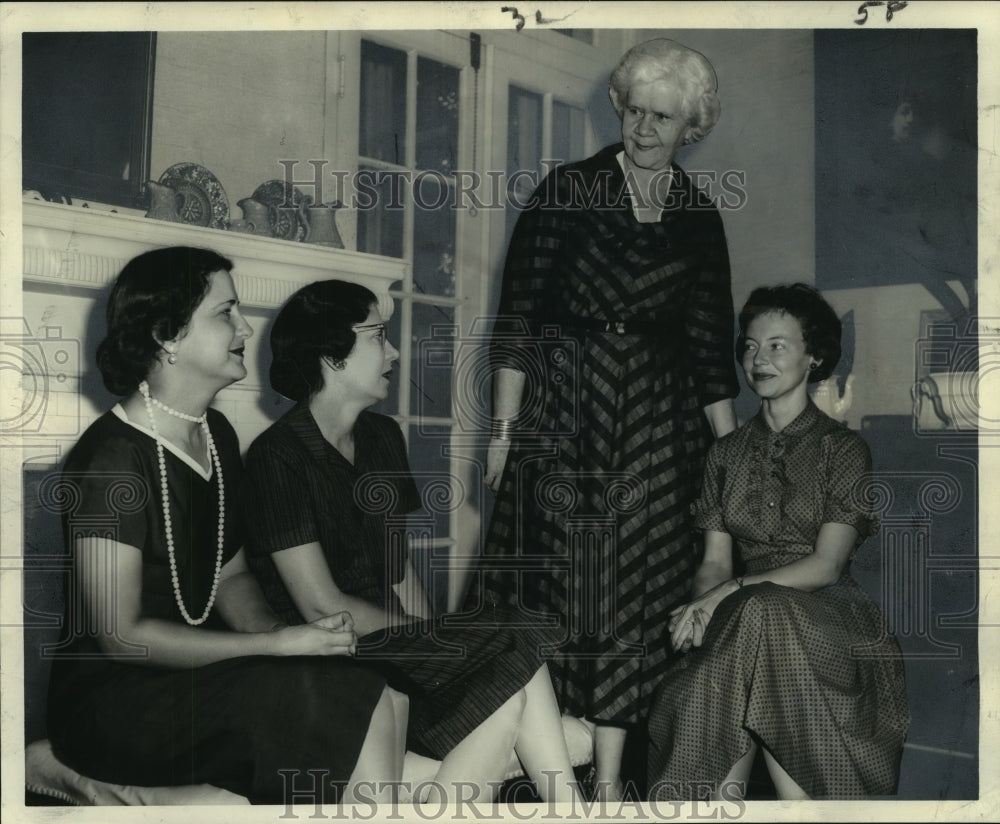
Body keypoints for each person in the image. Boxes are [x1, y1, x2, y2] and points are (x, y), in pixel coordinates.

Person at [46, 247, 408, 806]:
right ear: (168, 336)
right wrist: (276, 647)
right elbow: (122, 638)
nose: (244, 327)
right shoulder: (110, 460)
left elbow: (233, 577)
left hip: (190, 680)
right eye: (225, 312)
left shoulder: (214, 432)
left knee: (361, 681)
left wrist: (287, 643)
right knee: (330, 698)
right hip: (116, 703)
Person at [476, 37, 741, 798]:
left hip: (660, 427)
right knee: (563, 589)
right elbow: (517, 321)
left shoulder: (697, 215)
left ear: (692, 125)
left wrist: (731, 461)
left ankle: (614, 786)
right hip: (567, 412)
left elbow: (708, 352)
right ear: (619, 107)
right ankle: (539, 774)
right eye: (637, 111)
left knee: (641, 592)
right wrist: (501, 431)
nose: (646, 128)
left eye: (665, 117)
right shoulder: (566, 191)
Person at [241, 279, 583, 805]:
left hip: (393, 648)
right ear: (332, 357)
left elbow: (400, 571)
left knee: (515, 660)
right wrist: (436, 641)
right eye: (379, 336)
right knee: (512, 646)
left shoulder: (383, 438)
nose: (394, 350)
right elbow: (319, 605)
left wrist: (435, 643)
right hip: (330, 664)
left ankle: (571, 812)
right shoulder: (277, 456)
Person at [646, 283, 910, 800]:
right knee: (748, 629)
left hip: (831, 621)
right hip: (751, 621)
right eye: (749, 345)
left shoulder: (845, 449)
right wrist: (704, 602)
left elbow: (827, 566)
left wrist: (726, 595)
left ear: (814, 356)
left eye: (777, 345)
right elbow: (714, 563)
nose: (757, 358)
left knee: (760, 613)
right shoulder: (725, 454)